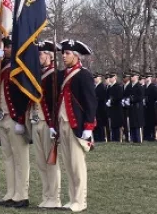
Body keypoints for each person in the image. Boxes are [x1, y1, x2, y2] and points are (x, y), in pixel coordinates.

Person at [57, 39, 97, 213]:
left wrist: (88, 126)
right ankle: (72, 198)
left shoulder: (83, 75)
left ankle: (80, 201)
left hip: (77, 125)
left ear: (76, 55)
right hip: (62, 123)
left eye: (67, 53)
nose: (63, 57)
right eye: (63, 53)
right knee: (68, 164)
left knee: (77, 165)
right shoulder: (62, 74)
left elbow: (90, 102)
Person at [0, 37, 25, 207]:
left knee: (20, 158)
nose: (5, 49)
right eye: (4, 47)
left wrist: (21, 119)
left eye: (8, 47)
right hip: (1, 117)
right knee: (8, 157)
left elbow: (23, 95)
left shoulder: (20, 66)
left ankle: (21, 194)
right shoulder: (2, 67)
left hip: (14, 117)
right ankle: (11, 192)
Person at [33, 40, 62, 209]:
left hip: (48, 123)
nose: (38, 57)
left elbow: (56, 102)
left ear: (49, 56)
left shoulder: (55, 76)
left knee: (51, 163)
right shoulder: (38, 74)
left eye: (41, 54)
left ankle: (55, 197)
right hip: (36, 121)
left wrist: (54, 124)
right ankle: (46, 195)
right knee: (40, 162)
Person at [127, 70, 144, 143]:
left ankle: (139, 139)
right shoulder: (130, 86)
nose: (131, 77)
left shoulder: (139, 86)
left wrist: (132, 99)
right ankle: (133, 139)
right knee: (132, 123)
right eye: (131, 76)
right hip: (132, 107)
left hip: (137, 107)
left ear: (137, 77)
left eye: (133, 76)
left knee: (137, 124)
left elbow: (140, 97)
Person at [107, 73, 124, 142]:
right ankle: (113, 138)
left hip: (117, 108)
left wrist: (111, 101)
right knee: (113, 124)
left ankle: (118, 139)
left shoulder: (118, 87)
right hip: (112, 108)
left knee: (117, 124)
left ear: (115, 78)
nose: (110, 78)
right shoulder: (110, 87)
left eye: (112, 77)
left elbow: (119, 97)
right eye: (110, 77)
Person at [143, 73, 157, 141]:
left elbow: (156, 96)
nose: (147, 79)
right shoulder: (144, 87)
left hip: (152, 107)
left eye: (148, 78)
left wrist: (148, 99)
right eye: (146, 78)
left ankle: (152, 136)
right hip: (146, 108)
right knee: (146, 122)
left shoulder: (153, 87)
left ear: (150, 79)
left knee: (152, 122)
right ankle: (146, 135)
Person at [93, 73, 108, 142]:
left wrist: (96, 99)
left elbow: (102, 97)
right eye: (94, 78)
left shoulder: (102, 86)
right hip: (96, 109)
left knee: (100, 125)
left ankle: (101, 138)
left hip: (101, 109)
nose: (94, 79)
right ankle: (96, 138)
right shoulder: (94, 86)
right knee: (96, 125)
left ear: (99, 78)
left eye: (96, 77)